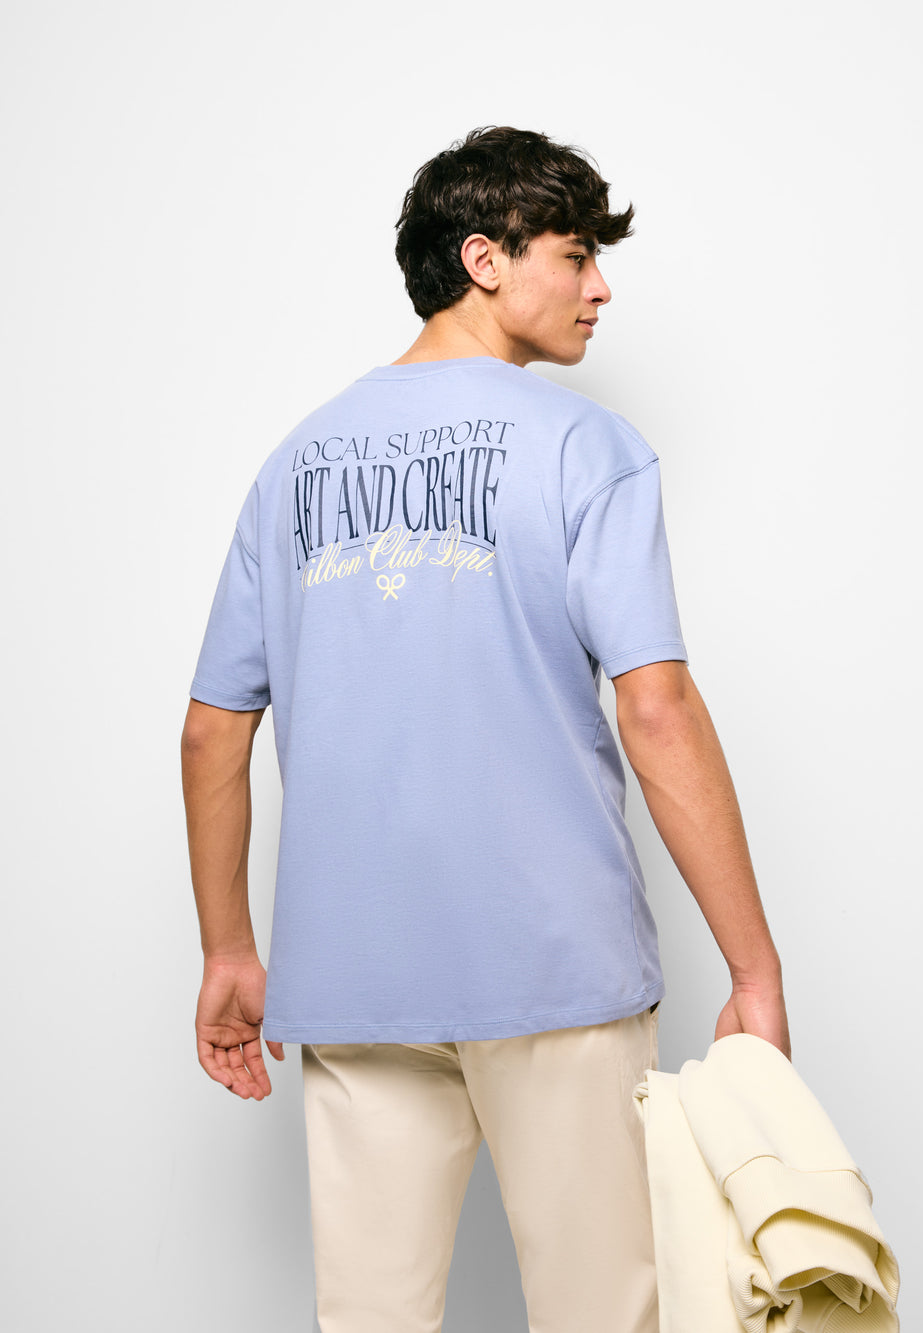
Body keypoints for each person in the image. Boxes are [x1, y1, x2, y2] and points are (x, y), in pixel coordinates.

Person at [181, 125, 790, 1333]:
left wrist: (229, 950)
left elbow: (211, 732)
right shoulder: (584, 447)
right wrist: (754, 970)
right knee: (602, 1310)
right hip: (554, 961)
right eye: (575, 255)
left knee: (371, 1315)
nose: (599, 288)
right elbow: (656, 706)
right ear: (485, 259)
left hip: (352, 974)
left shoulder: (294, 464)